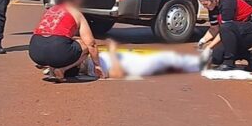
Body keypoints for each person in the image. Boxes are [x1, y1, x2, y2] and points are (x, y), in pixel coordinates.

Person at [29, 0, 103, 81]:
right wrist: (97, 65)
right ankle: (62, 69)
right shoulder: (76, 13)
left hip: (35, 51)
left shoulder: (50, 10)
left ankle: (52, 69)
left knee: (59, 42)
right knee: (84, 46)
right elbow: (91, 43)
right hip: (57, 49)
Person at [196, 0, 252, 71]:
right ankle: (250, 56)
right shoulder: (212, 7)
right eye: (203, 4)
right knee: (216, 57)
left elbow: (224, 31)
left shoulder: (227, 4)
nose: (205, 7)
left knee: (226, 27)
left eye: (206, 4)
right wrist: (203, 41)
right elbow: (214, 28)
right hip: (239, 31)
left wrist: (208, 48)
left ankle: (229, 63)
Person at [84, 40, 212, 79]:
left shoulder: (90, 59)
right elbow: (117, 73)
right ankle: (199, 64)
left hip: (133, 59)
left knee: (168, 59)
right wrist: (112, 52)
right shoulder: (94, 69)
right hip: (137, 66)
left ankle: (198, 63)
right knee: (166, 59)